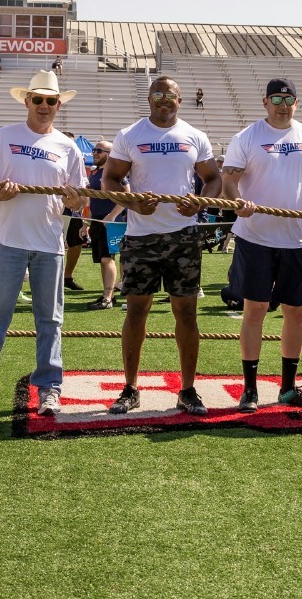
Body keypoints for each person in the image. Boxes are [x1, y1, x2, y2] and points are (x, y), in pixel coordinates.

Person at [0, 72, 87, 418]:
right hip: (9, 240)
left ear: (59, 105)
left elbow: (79, 200)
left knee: (50, 321)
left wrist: (75, 200)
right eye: (38, 99)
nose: (45, 106)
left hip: (48, 242)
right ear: (26, 101)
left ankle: (49, 389)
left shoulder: (68, 147)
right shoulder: (3, 136)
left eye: (51, 100)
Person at [100, 76, 221, 415]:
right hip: (141, 237)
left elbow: (213, 179)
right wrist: (132, 203)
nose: (164, 100)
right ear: (149, 99)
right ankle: (130, 387)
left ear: (181, 100)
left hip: (184, 236)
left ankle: (188, 389)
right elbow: (110, 178)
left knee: (186, 313)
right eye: (158, 94)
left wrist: (200, 202)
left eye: (171, 95)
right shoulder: (130, 134)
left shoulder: (194, 135)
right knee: (137, 311)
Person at [220, 77, 302, 411]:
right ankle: (250, 389)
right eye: (276, 99)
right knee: (254, 309)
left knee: (295, 312)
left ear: (296, 104)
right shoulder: (247, 136)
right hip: (255, 236)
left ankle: (287, 388)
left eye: (289, 100)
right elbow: (229, 179)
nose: (282, 106)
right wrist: (237, 201)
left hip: (297, 238)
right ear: (265, 102)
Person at [82, 141, 126, 309]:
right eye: (94, 150)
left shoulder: (115, 172)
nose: (94, 153)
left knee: (108, 258)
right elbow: (92, 200)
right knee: (103, 259)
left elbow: (127, 196)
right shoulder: (96, 173)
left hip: (110, 222)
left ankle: (107, 298)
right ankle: (108, 296)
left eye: (98, 150)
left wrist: (111, 216)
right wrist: (86, 222)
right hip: (98, 221)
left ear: (109, 153)